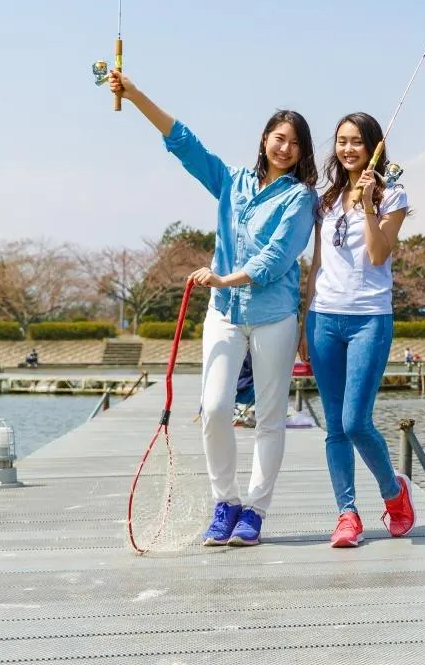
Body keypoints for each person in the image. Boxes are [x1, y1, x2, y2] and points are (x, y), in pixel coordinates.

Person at [108, 71, 317, 547]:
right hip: (224, 312)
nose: (284, 148)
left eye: (294, 143)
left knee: (269, 416)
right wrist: (134, 93)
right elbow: (184, 143)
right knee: (216, 407)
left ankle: (256, 511)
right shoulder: (233, 181)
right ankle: (226, 502)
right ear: (264, 140)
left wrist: (225, 276)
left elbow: (276, 258)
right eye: (278, 138)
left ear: (302, 153)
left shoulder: (300, 198)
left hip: (273, 315)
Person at [305, 112, 415, 548]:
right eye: (341, 141)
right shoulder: (324, 198)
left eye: (357, 142)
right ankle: (347, 514)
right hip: (323, 318)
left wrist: (369, 204)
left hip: (370, 317)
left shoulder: (394, 195)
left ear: (373, 147)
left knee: (355, 422)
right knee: (334, 426)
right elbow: (316, 263)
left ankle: (394, 492)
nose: (348, 149)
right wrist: (303, 318)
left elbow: (376, 254)